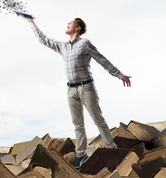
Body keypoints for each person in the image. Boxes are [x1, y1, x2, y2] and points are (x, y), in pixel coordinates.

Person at [22, 15, 131, 168]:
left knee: (98, 119)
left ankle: (111, 149)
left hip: (86, 88)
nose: (67, 24)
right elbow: (44, 40)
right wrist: (32, 23)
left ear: (77, 28)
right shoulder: (63, 46)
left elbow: (102, 59)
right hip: (71, 90)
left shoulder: (85, 44)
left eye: (70, 23)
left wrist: (119, 74)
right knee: (77, 124)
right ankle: (81, 154)